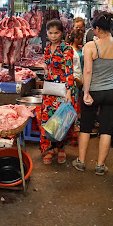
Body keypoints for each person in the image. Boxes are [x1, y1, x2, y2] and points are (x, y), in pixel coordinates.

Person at [73, 13, 113, 175]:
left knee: (86, 127)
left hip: (94, 91)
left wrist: (86, 92)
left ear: (96, 29)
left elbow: (87, 71)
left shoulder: (90, 46)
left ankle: (81, 162)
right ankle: (100, 166)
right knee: (106, 130)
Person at [40, 20, 77, 165]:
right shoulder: (47, 48)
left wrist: (69, 91)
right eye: (50, 33)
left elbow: (69, 71)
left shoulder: (66, 49)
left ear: (62, 33)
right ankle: (49, 149)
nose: (53, 36)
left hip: (63, 89)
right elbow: (47, 68)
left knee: (61, 121)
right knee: (48, 120)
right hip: (49, 89)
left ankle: (61, 148)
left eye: (56, 33)